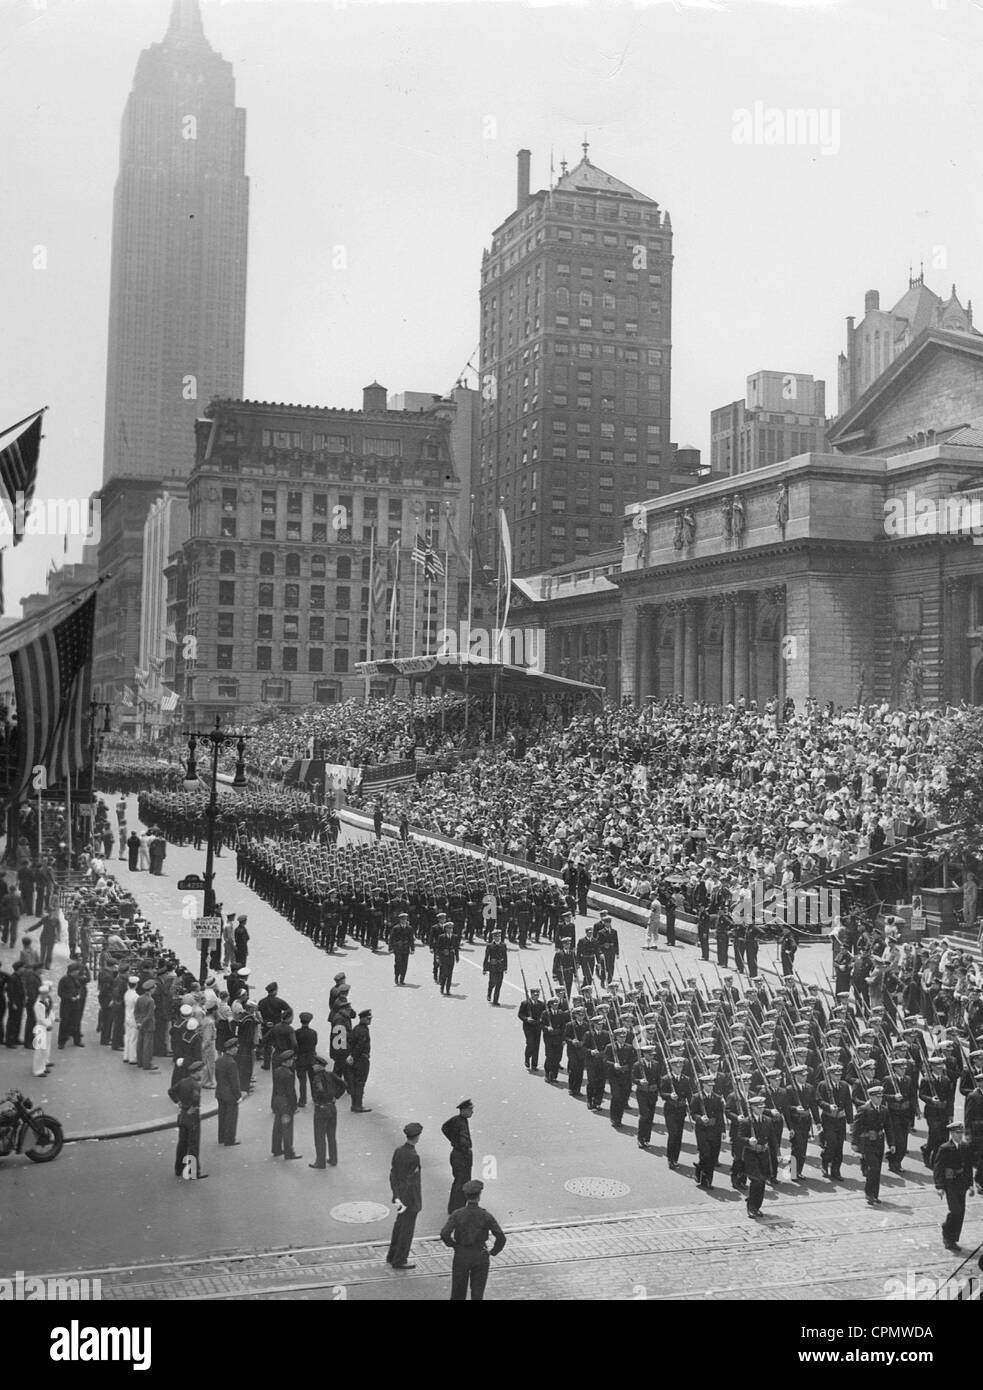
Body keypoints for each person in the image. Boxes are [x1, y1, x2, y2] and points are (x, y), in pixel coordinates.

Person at [439, 1179, 507, 1301]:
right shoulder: (486, 1215)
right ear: (479, 1196)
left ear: (465, 1196)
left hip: (462, 1255)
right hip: (480, 1254)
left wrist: (454, 1245)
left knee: (458, 1293)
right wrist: (493, 1252)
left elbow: (444, 1233)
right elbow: (501, 1237)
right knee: (477, 1293)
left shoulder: (457, 1214)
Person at [933, 1120, 974, 1252]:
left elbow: (968, 1167)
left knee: (960, 1212)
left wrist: (970, 1185)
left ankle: (953, 1239)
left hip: (961, 1183)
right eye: (957, 1133)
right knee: (955, 1211)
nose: (960, 1135)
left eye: (961, 1132)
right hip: (949, 1184)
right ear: (951, 1133)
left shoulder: (965, 1147)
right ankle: (947, 1232)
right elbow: (938, 1168)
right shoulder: (944, 1148)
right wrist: (939, 1186)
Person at [387, 1121, 423, 1271]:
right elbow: (412, 1182)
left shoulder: (398, 1151)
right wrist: (409, 1202)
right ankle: (400, 1259)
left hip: (399, 1196)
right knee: (406, 1230)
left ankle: (392, 1254)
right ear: (417, 1137)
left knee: (399, 1226)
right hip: (409, 1199)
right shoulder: (413, 1156)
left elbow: (393, 1174)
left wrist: (396, 1196)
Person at [852, 1083, 888, 1206]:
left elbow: (889, 1128)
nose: (880, 1099)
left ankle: (875, 1195)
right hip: (867, 1143)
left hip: (879, 1143)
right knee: (874, 1168)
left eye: (881, 1097)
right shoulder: (864, 1109)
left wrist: (892, 1143)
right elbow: (856, 1127)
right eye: (877, 1097)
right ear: (871, 1097)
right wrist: (854, 1143)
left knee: (877, 1170)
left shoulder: (884, 1109)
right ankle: (869, 1193)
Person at [170, 1061, 208, 1180]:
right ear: (195, 1072)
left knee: (182, 1143)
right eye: (201, 1070)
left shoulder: (182, 1082)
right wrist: (192, 1111)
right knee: (193, 1145)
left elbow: (171, 1092)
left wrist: (179, 1102)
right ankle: (193, 1172)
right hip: (192, 1118)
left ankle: (178, 1168)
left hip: (181, 1116)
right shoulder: (196, 1086)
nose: (202, 1072)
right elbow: (196, 1102)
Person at [308, 1055, 346, 1169]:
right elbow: (343, 1084)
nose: (313, 1066)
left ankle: (320, 1161)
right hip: (332, 1107)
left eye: (314, 1064)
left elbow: (320, 1090)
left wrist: (320, 1099)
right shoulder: (331, 1075)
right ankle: (333, 1159)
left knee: (319, 1136)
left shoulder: (317, 1078)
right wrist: (335, 1096)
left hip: (321, 1109)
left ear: (319, 1066)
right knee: (331, 1135)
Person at [441, 1099, 474, 1213]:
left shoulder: (459, 1120)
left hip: (459, 1154)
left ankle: (456, 1208)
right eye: (470, 1110)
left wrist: (453, 1140)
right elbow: (446, 1129)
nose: (472, 1112)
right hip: (461, 1155)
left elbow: (444, 1128)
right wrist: (458, 1143)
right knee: (462, 1182)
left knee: (460, 1181)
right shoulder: (460, 1121)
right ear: (463, 1110)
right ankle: (458, 1209)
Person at [271, 1051, 303, 1160]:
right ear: (288, 1061)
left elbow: (275, 1088)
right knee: (287, 1127)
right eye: (292, 1060)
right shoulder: (289, 1074)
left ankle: (276, 1149)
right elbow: (291, 1092)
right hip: (286, 1103)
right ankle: (289, 1152)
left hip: (278, 1100)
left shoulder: (276, 1071)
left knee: (277, 1126)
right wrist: (294, 1105)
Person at [215, 1039, 242, 1146]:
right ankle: (229, 1139)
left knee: (222, 1115)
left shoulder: (219, 1060)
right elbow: (234, 1082)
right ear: (232, 1049)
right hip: (230, 1094)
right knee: (231, 1117)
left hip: (220, 1092)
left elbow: (217, 1077)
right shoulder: (232, 1063)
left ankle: (221, 1137)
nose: (237, 1049)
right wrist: (238, 1095)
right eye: (236, 1047)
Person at [348, 1009, 373, 1112]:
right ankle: (358, 1105)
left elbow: (351, 1042)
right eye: (368, 1019)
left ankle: (355, 1104)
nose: (370, 1020)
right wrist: (355, 1056)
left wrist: (352, 1056)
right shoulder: (363, 1030)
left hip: (357, 1060)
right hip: (362, 1060)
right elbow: (360, 1046)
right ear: (363, 1019)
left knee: (355, 1083)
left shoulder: (356, 1028)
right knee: (360, 1083)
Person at [518, 986, 545, 1071]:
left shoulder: (541, 1004)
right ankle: (527, 1057)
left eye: (537, 994)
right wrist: (526, 1019)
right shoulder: (525, 1003)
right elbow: (520, 1014)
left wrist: (542, 1019)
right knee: (530, 1043)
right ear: (531, 994)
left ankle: (534, 1064)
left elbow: (544, 1014)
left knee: (536, 1045)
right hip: (528, 1027)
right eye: (534, 994)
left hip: (537, 1026)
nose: (536, 996)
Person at [483, 930, 507, 1005]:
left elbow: (505, 957)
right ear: (493, 937)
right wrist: (485, 968)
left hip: (500, 967)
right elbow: (486, 957)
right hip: (493, 967)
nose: (497, 938)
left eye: (499, 936)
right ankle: (489, 992)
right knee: (492, 982)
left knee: (499, 984)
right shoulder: (490, 945)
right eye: (496, 936)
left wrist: (505, 967)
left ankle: (495, 1000)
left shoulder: (503, 945)